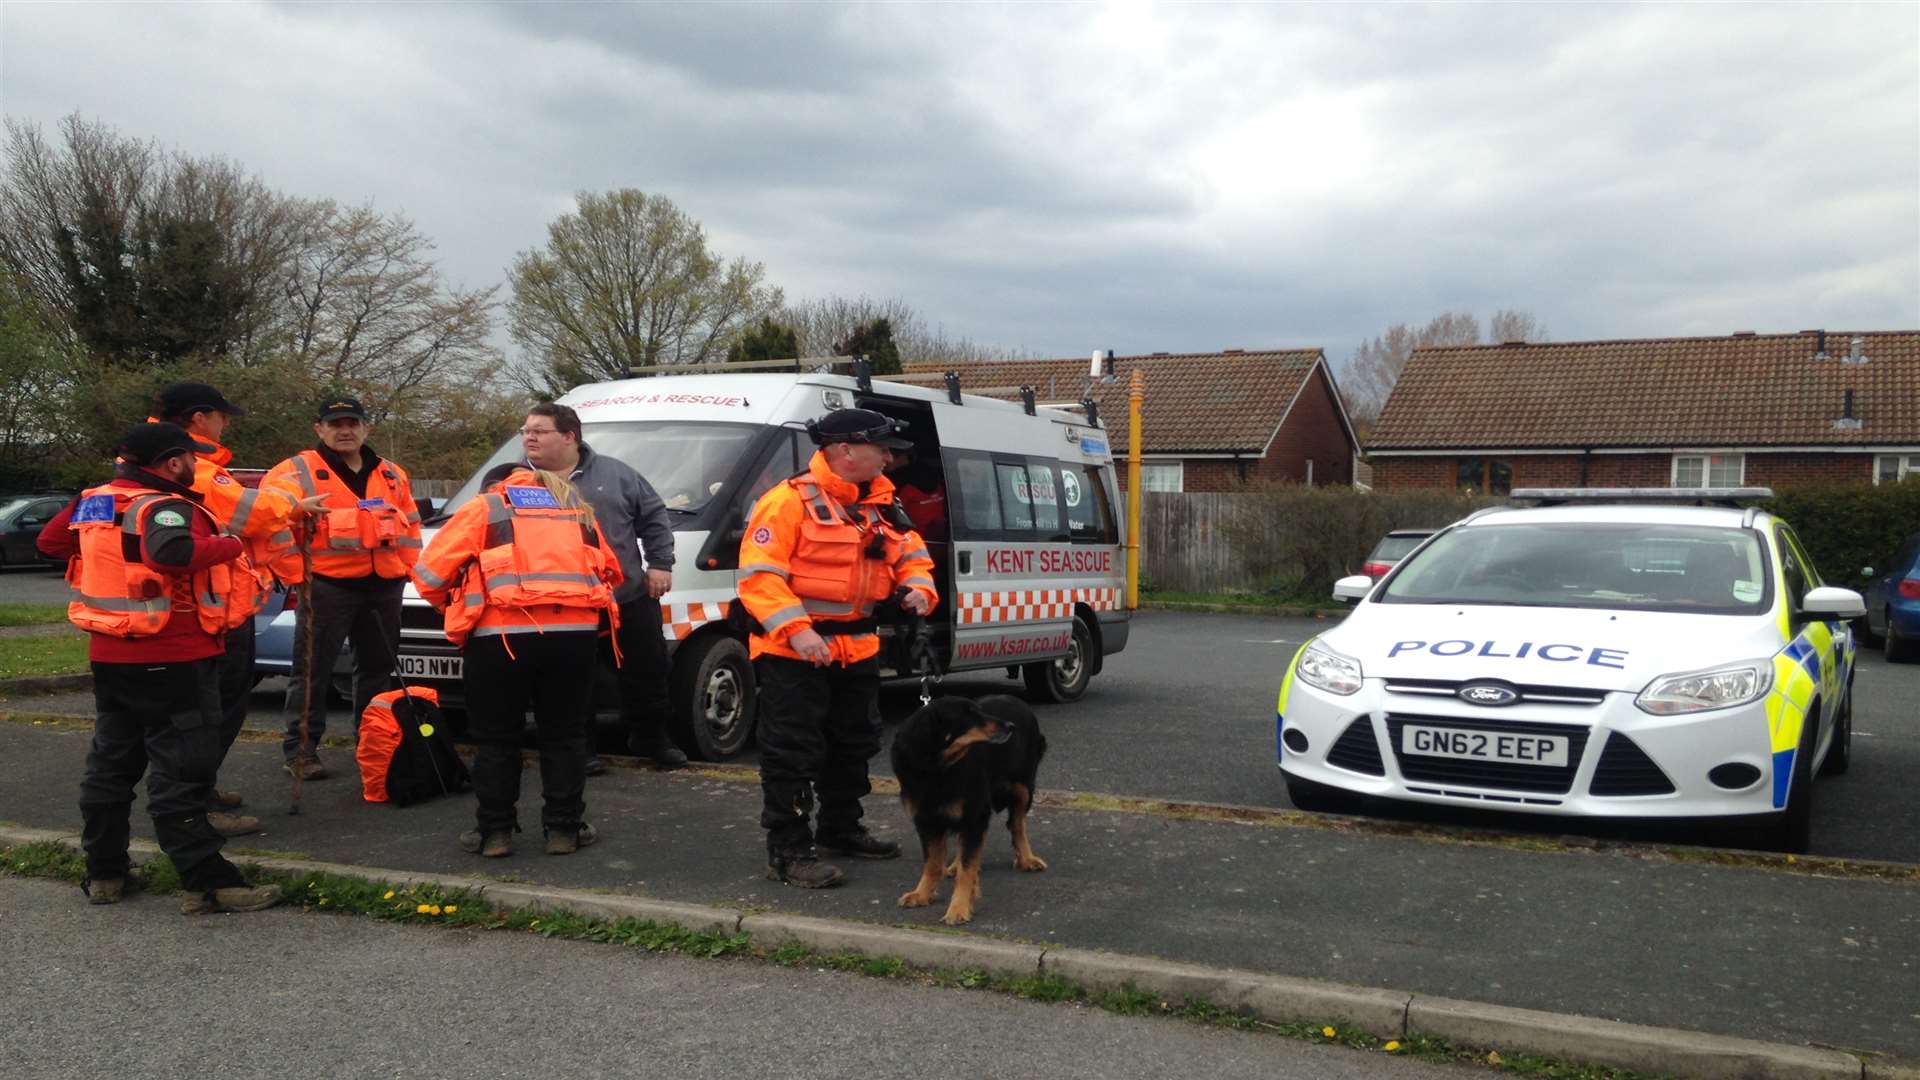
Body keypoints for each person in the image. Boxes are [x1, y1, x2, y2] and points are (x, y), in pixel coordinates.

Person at [65, 422, 282, 914]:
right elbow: (173, 554)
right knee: (181, 774)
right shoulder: (163, 505)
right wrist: (231, 545)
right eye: (188, 458)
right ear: (171, 463)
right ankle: (208, 884)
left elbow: (57, 543)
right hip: (174, 656)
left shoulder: (94, 501)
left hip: (110, 653)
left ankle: (105, 874)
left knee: (110, 768)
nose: (194, 466)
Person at [737, 408, 938, 888]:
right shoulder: (786, 502)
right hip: (795, 653)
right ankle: (788, 851)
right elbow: (760, 577)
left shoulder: (883, 504)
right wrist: (797, 630)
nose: (889, 456)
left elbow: (913, 557)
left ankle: (840, 830)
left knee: (854, 744)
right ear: (845, 450)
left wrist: (918, 589)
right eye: (881, 446)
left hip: (858, 647)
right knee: (792, 751)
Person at [411, 464, 622, 857]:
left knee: (496, 738)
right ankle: (564, 830)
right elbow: (612, 571)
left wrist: (457, 604)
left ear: (497, 484)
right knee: (565, 736)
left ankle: (494, 834)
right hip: (574, 639)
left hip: (500, 639)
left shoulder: (486, 508)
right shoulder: (577, 511)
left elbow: (428, 575)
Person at [150, 382, 321, 837]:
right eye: (222, 417)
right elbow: (255, 514)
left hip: (199, 610)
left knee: (197, 715)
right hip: (214, 612)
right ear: (200, 418)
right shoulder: (195, 468)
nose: (226, 425)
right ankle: (195, 806)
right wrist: (293, 503)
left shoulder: (149, 459)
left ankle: (197, 795)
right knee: (213, 714)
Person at [518, 402, 685, 773]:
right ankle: (581, 749)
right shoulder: (512, 481)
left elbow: (654, 516)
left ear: (569, 436)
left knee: (647, 670)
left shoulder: (617, 474)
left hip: (626, 596)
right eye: (525, 430)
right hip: (559, 605)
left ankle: (651, 738)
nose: (528, 437)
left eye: (538, 431)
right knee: (571, 682)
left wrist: (659, 564)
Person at [264, 396, 422, 780]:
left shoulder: (390, 474)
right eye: (336, 424)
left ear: (366, 427)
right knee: (311, 671)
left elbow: (411, 527)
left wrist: (408, 571)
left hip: (383, 587)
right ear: (319, 429)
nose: (345, 430)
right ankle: (300, 752)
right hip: (326, 587)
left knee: (376, 671)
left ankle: (372, 745)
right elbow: (268, 525)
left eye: (352, 422)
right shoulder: (294, 471)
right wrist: (297, 575)